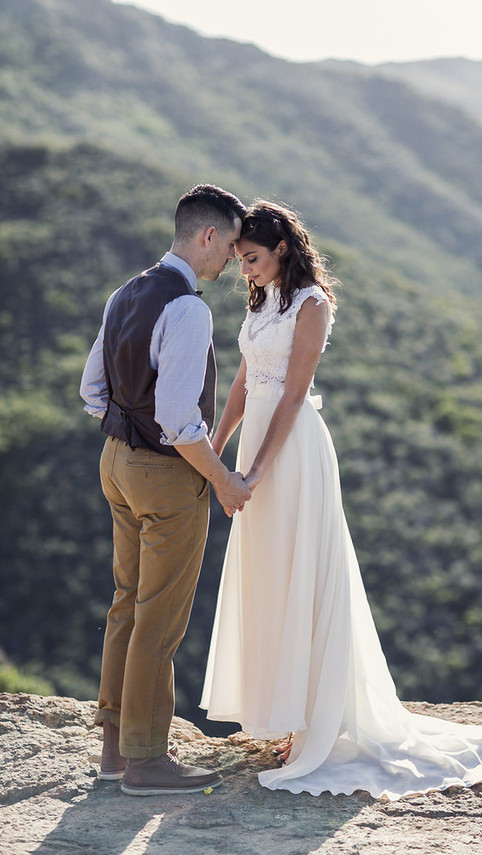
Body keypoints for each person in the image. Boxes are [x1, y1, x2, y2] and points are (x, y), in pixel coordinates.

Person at [200, 200, 482, 798]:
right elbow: (245, 382)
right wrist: (216, 454)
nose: (243, 270)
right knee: (270, 576)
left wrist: (253, 475)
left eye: (251, 259)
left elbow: (292, 396)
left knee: (303, 574)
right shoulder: (263, 299)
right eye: (239, 260)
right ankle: (286, 716)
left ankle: (312, 728)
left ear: (281, 250)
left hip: (292, 452)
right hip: (253, 448)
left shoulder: (312, 305)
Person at [80, 184, 251, 797]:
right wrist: (224, 479)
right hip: (165, 475)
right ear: (207, 237)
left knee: (126, 603)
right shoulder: (188, 309)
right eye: (230, 246)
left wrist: (125, 438)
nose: (231, 259)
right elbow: (182, 422)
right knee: (160, 617)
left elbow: (91, 390)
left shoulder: (125, 292)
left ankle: (114, 751)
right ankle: (148, 762)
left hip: (116, 461)